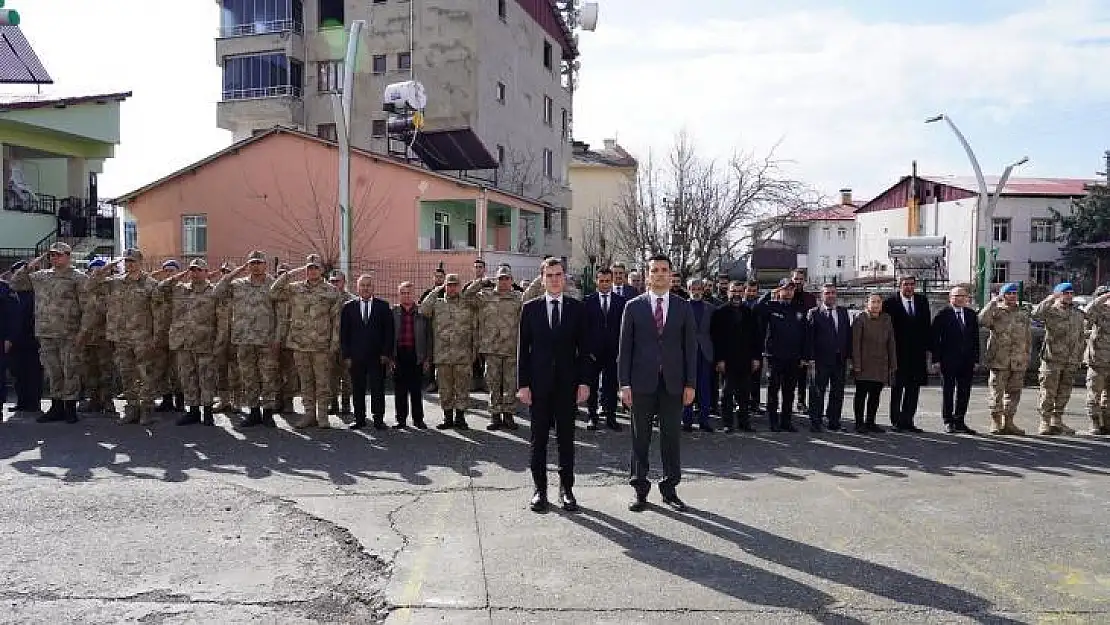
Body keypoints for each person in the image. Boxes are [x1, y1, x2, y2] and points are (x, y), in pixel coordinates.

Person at [618, 253, 697, 512]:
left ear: (672, 275)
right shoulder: (633, 306)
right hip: (641, 384)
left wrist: (690, 384)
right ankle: (640, 490)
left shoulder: (683, 307)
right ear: (647, 276)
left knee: (671, 438)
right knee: (640, 438)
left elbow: (690, 349)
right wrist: (624, 384)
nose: (660, 274)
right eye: (655, 270)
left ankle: (670, 489)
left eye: (665, 270)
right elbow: (625, 349)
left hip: (674, 384)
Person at [517, 258, 590, 512]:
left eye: (559, 274)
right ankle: (540, 490)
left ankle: (567, 489)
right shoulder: (530, 309)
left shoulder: (577, 309)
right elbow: (522, 351)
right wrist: (523, 384)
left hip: (567, 386)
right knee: (538, 440)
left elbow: (584, 350)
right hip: (538, 386)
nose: (555, 279)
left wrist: (584, 382)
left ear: (565, 277)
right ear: (542, 278)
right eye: (550, 275)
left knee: (566, 439)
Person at [9, 242, 88, 424]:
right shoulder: (41, 276)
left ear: (68, 256)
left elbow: (87, 307)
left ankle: (70, 408)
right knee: (53, 371)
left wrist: (84, 331)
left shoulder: (78, 278)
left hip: (69, 332)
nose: (54, 258)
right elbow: (16, 283)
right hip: (46, 332)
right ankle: (56, 406)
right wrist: (30, 266)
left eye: (58, 255)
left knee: (70, 371)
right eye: (51, 255)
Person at [270, 254, 344, 429]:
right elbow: (273, 291)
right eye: (309, 267)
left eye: (316, 267)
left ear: (321, 270)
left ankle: (323, 415)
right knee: (305, 381)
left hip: (321, 345)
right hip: (300, 344)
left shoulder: (331, 291)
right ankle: (309, 414)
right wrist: (291, 273)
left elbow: (336, 320)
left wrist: (334, 342)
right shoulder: (295, 288)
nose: (312, 271)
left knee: (322, 381)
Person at [212, 251, 280, 428]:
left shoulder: (273, 284)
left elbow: (281, 312)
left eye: (259, 262)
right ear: (247, 265)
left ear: (265, 265)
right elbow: (217, 292)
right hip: (244, 340)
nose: (255, 266)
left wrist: (278, 337)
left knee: (268, 378)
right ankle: (254, 413)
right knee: (248, 378)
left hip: (266, 339)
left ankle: (268, 413)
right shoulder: (237, 284)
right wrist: (235, 272)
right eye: (252, 263)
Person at [463, 266, 523, 431]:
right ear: (496, 280)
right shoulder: (485, 296)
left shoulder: (518, 298)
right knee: (493, 383)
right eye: (501, 278)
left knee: (510, 384)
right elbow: (466, 296)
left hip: (511, 348)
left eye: (507, 278)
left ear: (511, 280)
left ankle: (509, 415)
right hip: (491, 349)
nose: (503, 282)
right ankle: (495, 415)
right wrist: (481, 281)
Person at [420, 273, 477, 429]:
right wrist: (436, 289)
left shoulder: (467, 303)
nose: (452, 288)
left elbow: (475, 326)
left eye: (455, 285)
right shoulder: (437, 304)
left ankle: (460, 418)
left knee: (462, 388)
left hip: (463, 355)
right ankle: (447, 418)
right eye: (449, 285)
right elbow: (423, 309)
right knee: (445, 389)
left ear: (459, 287)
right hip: (443, 355)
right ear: (445, 286)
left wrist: (475, 350)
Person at [340, 275, 394, 430]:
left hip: (377, 357)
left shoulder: (383, 306)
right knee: (357, 389)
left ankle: (378, 419)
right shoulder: (348, 307)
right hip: (355, 357)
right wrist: (347, 355)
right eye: (362, 285)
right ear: (357, 288)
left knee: (378, 388)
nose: (365, 288)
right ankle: (359, 419)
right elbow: (344, 334)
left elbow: (389, 332)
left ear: (373, 287)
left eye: (368, 285)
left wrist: (386, 353)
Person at [1032, 283, 1086, 435]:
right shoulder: (1050, 311)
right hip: (1052, 359)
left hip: (1071, 360)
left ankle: (1057, 420)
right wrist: (1050, 298)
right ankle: (1045, 421)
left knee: (1064, 391)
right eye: (1065, 293)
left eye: (1071, 293)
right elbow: (1035, 315)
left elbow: (1080, 336)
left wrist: (1079, 356)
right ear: (1058, 294)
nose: (1069, 295)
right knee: (1048, 391)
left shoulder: (1077, 313)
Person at [978, 283, 1032, 435]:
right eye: (1009, 293)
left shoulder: (1022, 313)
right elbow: (982, 320)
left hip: (1018, 360)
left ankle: (1009, 422)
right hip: (1000, 360)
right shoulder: (996, 312)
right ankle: (996, 422)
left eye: (1015, 293)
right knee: (997, 393)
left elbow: (1027, 337)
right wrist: (993, 302)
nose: (1013, 296)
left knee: (1014, 393)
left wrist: (1026, 355)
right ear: (1003, 295)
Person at [710, 280, 762, 433]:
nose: (737, 295)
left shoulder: (749, 312)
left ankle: (744, 422)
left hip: (746, 360)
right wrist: (719, 360)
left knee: (745, 394)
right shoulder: (719, 312)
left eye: (739, 291)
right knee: (727, 394)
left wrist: (756, 358)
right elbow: (715, 339)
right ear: (728, 292)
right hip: (727, 361)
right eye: (734, 291)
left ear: (744, 292)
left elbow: (757, 337)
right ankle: (727, 423)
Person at [882, 275, 932, 432]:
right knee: (897, 387)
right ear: (899, 286)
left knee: (913, 388)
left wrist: (928, 349)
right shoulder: (890, 303)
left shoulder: (922, 301)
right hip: (898, 353)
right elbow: (886, 330)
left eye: (912, 284)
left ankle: (908, 420)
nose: (909, 287)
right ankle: (896, 421)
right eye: (905, 284)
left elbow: (926, 326)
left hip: (917, 353)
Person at [758, 279, 806, 432]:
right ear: (779, 290)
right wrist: (768, 294)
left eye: (791, 290)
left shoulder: (798, 308)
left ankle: (786, 421)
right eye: (785, 289)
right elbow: (756, 309)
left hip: (793, 357)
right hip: (775, 356)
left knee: (789, 391)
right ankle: (773, 421)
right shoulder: (771, 306)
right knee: (773, 390)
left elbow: (804, 333)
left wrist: (802, 355)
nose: (789, 292)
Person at [931, 286, 979, 434]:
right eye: (956, 296)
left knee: (964, 391)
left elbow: (975, 338)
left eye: (963, 296)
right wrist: (936, 359)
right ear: (950, 298)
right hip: (948, 360)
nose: (960, 298)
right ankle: (948, 421)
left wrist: (976, 359)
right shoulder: (942, 314)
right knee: (948, 391)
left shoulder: (971, 314)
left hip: (967, 360)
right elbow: (934, 339)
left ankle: (960, 420)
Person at [804, 283, 852, 432]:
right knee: (817, 392)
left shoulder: (844, 312)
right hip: (820, 360)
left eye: (833, 293)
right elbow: (809, 338)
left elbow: (848, 336)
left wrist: (849, 357)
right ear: (821, 296)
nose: (830, 295)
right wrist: (810, 358)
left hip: (839, 359)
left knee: (837, 392)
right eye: (827, 293)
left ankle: (834, 421)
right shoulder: (814, 313)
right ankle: (816, 422)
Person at [582, 268, 625, 431]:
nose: (605, 284)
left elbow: (623, 328)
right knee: (592, 386)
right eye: (602, 281)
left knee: (611, 385)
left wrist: (620, 350)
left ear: (612, 281)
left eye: (608, 281)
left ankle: (611, 417)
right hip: (593, 352)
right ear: (596, 281)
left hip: (613, 352)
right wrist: (587, 351)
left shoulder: (620, 301)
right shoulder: (587, 301)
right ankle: (592, 417)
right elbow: (584, 328)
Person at [850, 293, 896, 433]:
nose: (876, 305)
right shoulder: (860, 319)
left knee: (875, 395)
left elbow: (891, 342)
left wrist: (893, 364)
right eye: (873, 302)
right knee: (861, 395)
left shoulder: (886, 319)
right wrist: (856, 364)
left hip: (880, 364)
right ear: (867, 304)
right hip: (864, 364)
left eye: (878, 302)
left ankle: (871, 422)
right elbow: (855, 344)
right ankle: (859, 423)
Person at [391, 282, 431, 429]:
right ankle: (400, 420)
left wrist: (427, 357)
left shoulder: (422, 313)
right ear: (399, 294)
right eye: (403, 293)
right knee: (400, 390)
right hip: (399, 355)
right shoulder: (393, 312)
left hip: (416, 354)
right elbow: (388, 336)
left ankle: (418, 419)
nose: (406, 295)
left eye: (408, 293)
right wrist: (390, 357)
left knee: (415, 390)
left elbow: (428, 336)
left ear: (414, 294)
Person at [681, 278, 715, 432]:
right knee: (687, 387)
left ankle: (704, 420)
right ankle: (686, 421)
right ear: (688, 290)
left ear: (703, 290)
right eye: (692, 288)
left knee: (704, 388)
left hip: (705, 353)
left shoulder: (711, 309)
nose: (696, 291)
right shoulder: (681, 307)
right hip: (686, 353)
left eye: (698, 288)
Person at [1083, 289, 1110, 435]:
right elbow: (1086, 314)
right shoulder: (1097, 311)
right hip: (1098, 360)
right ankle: (1094, 422)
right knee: (1095, 393)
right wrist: (1102, 298)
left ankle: (1107, 422)